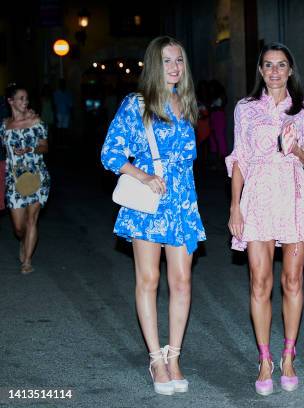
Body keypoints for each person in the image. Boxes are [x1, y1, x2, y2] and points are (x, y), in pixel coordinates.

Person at [100, 36, 206, 396]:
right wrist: (143, 175)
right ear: (153, 65)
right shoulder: (137, 104)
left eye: (179, 60)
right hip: (147, 202)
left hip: (181, 204)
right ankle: (155, 359)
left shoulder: (186, 103)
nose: (174, 67)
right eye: (167, 61)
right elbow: (110, 153)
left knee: (182, 282)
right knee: (148, 279)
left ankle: (174, 356)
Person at [226, 42, 304, 396]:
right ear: (260, 70)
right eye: (268, 65)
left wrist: (295, 146)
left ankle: (288, 355)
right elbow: (239, 157)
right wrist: (234, 206)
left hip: (295, 194)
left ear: (290, 70)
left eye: (281, 65)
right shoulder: (246, 108)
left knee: (293, 280)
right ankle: (264, 358)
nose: (274, 71)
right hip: (257, 196)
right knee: (259, 281)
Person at [0, 84, 50, 274]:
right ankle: (23, 240)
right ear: (10, 101)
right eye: (21, 98)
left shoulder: (36, 122)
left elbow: (45, 147)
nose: (25, 102)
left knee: (32, 220)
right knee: (19, 228)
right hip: (14, 179)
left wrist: (30, 149)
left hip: (37, 175)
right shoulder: (4, 126)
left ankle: (27, 262)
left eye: (26, 98)